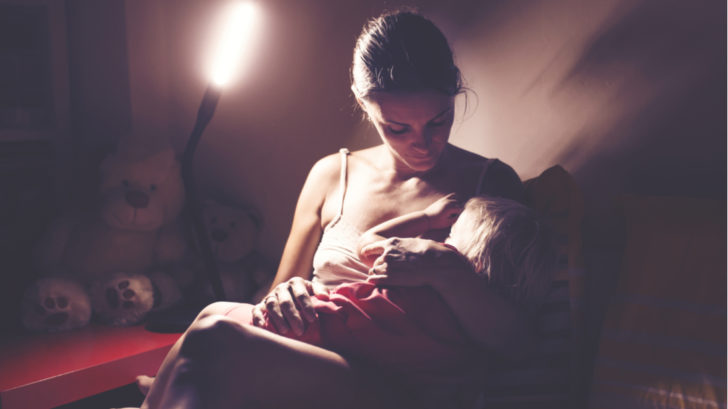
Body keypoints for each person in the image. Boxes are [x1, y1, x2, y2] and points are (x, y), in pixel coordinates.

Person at [140, 10, 536, 409]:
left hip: (406, 386)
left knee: (213, 341)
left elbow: (518, 342)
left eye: (439, 120)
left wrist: (448, 272)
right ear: (363, 102)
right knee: (213, 317)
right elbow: (277, 293)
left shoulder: (490, 186)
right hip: (317, 358)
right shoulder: (332, 175)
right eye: (398, 128)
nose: (423, 143)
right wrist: (287, 294)